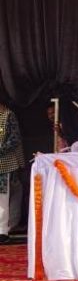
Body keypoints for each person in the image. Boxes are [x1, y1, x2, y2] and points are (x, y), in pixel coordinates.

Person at [0, 103, 24, 244]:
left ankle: (2, 231)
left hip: (5, 164)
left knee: (2, 197)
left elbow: (14, 139)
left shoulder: (8, 115)